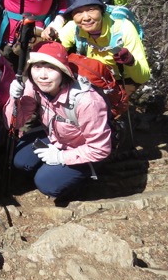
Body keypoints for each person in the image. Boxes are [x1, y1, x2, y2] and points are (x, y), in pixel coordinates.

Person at [9, 42, 112, 200]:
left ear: (63, 71)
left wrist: (61, 158)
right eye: (37, 67)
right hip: (56, 137)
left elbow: (100, 149)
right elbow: (15, 123)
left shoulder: (87, 101)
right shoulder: (34, 85)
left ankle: (80, 181)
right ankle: (53, 170)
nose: (42, 75)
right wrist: (14, 99)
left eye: (51, 68)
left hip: (84, 148)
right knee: (21, 160)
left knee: (46, 183)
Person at [57, 0, 150, 90]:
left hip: (122, 80)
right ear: (72, 16)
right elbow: (54, 53)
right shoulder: (74, 27)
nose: (86, 17)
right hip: (92, 77)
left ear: (101, 10)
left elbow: (143, 77)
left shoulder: (123, 28)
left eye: (91, 9)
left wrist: (130, 61)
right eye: (78, 12)